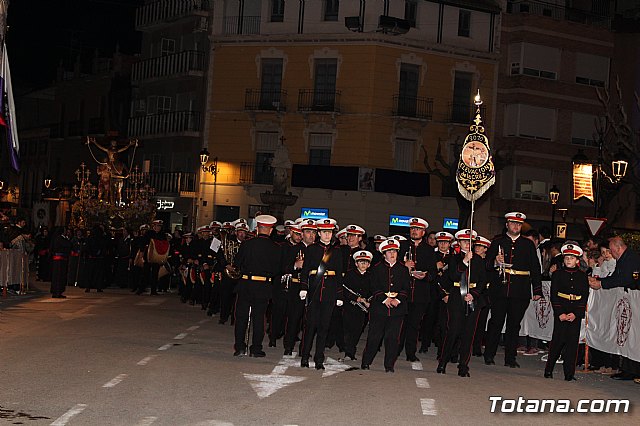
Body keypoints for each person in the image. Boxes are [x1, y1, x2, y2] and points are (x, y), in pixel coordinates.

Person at [484, 212, 542, 368]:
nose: (516, 226)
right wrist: (495, 261)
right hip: (499, 290)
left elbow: (535, 268)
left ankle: (510, 357)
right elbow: (487, 265)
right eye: (513, 223)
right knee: (496, 322)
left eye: (518, 224)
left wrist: (537, 290)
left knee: (514, 325)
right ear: (507, 225)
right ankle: (489, 354)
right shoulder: (497, 241)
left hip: (520, 291)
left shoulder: (528, 244)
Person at [588, 236, 640, 382]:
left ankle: (633, 370)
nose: (610, 253)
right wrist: (601, 281)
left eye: (611, 250)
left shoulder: (631, 258)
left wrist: (602, 283)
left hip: (635, 300)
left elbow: (625, 279)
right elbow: (618, 277)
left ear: (618, 248)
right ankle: (627, 369)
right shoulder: (622, 258)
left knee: (633, 336)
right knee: (626, 335)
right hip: (629, 300)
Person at [437, 229, 487, 377]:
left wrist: (474, 294)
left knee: (468, 334)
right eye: (464, 241)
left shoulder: (478, 260)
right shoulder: (454, 259)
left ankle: (463, 365)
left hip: (472, 298)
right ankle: (443, 362)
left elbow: (483, 281)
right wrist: (464, 262)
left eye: (470, 241)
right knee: (453, 331)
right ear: (459, 243)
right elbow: (453, 275)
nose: (467, 244)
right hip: (456, 298)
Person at [233, 215, 282, 357]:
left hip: (246, 284)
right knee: (259, 318)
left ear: (257, 228)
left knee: (241, 317)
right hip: (263, 286)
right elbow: (277, 270)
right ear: (271, 230)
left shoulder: (247, 244)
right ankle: (256, 348)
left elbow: (237, 263)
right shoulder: (276, 248)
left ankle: (240, 347)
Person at [299, 218, 344, 370]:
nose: (327, 235)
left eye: (329, 232)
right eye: (324, 232)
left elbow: (338, 275)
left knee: (324, 327)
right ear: (319, 233)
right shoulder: (311, 249)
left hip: (329, 293)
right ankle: (305, 356)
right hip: (314, 291)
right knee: (310, 326)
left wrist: (339, 295)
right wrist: (304, 287)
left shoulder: (337, 252)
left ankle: (319, 358)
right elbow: (305, 271)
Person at [361, 239, 410, 373]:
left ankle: (389, 365)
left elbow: (407, 288)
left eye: (394, 251)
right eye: (389, 251)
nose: (392, 254)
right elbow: (373, 286)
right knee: (374, 337)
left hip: (397, 309)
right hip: (379, 308)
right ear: (384, 254)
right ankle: (366, 361)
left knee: (393, 339)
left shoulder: (403, 269)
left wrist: (398, 299)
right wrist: (384, 298)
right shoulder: (376, 268)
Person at [544, 243, 589, 381]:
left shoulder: (582, 276)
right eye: (566, 257)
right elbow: (554, 295)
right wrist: (560, 313)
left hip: (574, 312)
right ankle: (549, 370)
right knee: (557, 342)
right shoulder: (557, 274)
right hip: (561, 311)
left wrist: (576, 313)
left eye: (572, 257)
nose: (569, 260)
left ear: (577, 260)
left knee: (572, 344)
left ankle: (569, 373)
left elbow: (584, 297)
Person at [398, 217, 436, 362]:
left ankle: (410, 352)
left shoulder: (429, 250)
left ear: (423, 232)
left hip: (420, 294)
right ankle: (396, 349)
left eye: (418, 229)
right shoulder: (401, 246)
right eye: (413, 229)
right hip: (403, 292)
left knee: (414, 325)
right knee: (400, 324)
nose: (414, 231)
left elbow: (433, 273)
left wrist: (425, 276)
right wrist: (404, 265)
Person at [342, 250, 372, 360]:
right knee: (347, 330)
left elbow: (373, 291)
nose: (363, 264)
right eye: (360, 262)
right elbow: (344, 290)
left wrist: (367, 301)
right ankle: (348, 352)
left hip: (362, 309)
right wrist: (356, 298)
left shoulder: (371, 276)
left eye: (365, 262)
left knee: (357, 331)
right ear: (356, 263)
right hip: (350, 307)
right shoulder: (350, 274)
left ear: (369, 264)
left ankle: (351, 351)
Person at [49, 227, 72, 298]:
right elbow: (68, 245)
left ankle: (56, 291)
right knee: (59, 276)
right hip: (60, 260)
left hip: (57, 260)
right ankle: (57, 292)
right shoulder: (60, 239)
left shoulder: (55, 238)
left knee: (56, 276)